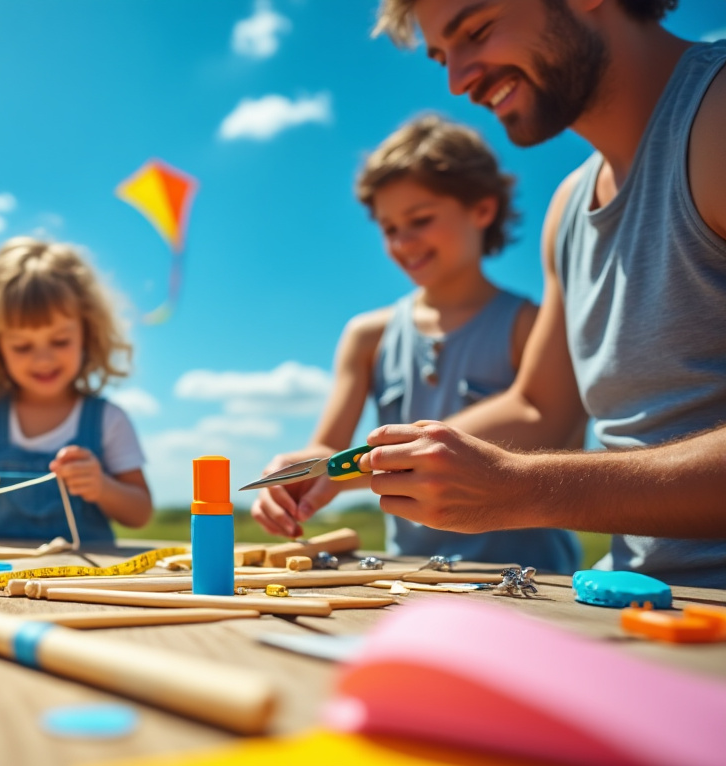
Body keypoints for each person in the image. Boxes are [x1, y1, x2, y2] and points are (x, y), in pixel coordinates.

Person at [343, 0, 726, 586]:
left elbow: (535, 455)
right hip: (637, 602)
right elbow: (540, 410)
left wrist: (525, 489)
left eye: (477, 30)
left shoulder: (716, 122)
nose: (459, 80)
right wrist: (355, 464)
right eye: (444, 56)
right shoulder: (568, 211)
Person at [250, 115, 581, 573]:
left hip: (529, 578)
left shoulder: (532, 325)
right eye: (388, 229)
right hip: (411, 577)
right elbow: (327, 450)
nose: (403, 243)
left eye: (420, 220)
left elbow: (553, 428)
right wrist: (296, 474)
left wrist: (366, 465)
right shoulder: (367, 337)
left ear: (482, 210)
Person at [0, 237, 152, 542]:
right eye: (22, 346)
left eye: (60, 341)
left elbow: (140, 513)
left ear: (87, 333)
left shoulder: (109, 420)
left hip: (83, 580)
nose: (43, 359)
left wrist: (102, 487)